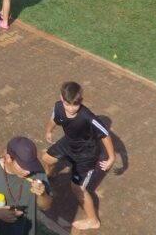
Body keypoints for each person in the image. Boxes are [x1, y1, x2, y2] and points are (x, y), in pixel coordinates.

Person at [41, 82, 114, 231]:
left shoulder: (88, 117)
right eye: (68, 104)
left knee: (77, 189)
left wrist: (111, 158)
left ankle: (93, 221)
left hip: (86, 154)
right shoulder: (58, 107)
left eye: (76, 104)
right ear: (61, 98)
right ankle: (50, 175)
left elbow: (105, 135)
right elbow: (54, 118)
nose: (72, 108)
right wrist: (49, 131)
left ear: (81, 100)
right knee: (47, 159)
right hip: (69, 143)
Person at [0, 137, 52, 235]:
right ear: (8, 158)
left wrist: (43, 194)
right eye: (23, 165)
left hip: (25, 231)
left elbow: (46, 206)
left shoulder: (37, 173)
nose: (28, 171)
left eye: (31, 165)